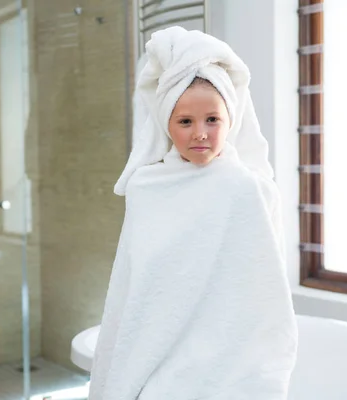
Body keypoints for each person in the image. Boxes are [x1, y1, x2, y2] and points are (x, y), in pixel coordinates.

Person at [89, 26, 298, 400]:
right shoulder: (147, 188)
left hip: (229, 355)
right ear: (167, 124)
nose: (200, 133)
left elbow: (258, 286)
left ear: (230, 120)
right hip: (162, 357)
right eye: (185, 121)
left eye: (212, 120)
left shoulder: (245, 187)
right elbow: (136, 286)